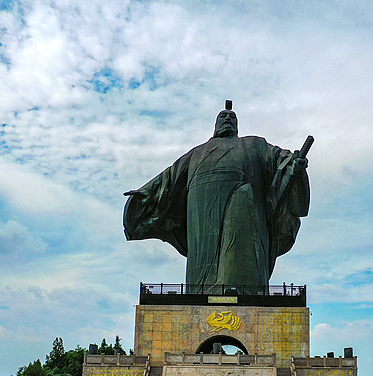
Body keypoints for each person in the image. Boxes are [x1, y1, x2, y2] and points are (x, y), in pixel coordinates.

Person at [124, 102, 310, 294]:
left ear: (237, 126)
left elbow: (280, 158)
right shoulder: (197, 153)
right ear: (215, 125)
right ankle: (199, 294)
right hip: (201, 208)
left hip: (243, 197)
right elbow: (169, 178)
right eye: (223, 117)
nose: (228, 120)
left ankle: (242, 291)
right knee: (204, 258)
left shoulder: (254, 144)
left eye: (232, 118)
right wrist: (145, 193)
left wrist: (292, 164)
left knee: (239, 245)